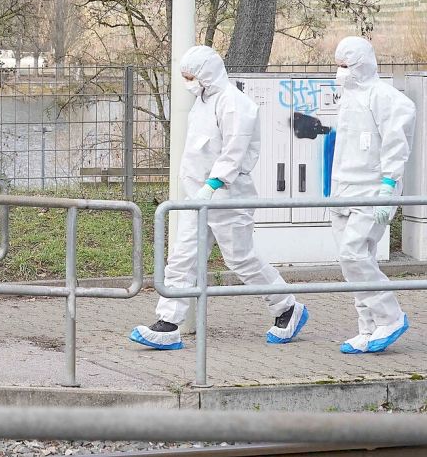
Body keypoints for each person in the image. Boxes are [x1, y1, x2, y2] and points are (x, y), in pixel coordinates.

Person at [129, 45, 308, 350]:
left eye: (191, 76)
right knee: (182, 257)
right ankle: (168, 324)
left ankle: (287, 307)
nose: (188, 82)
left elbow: (234, 150)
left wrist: (213, 183)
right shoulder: (203, 101)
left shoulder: (236, 104)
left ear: (206, 74)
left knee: (241, 259)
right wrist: (198, 190)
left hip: (226, 194)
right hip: (197, 196)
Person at [331, 37, 415, 354]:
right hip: (343, 192)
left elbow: (396, 147)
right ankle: (368, 328)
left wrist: (388, 189)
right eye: (338, 65)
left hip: (371, 191)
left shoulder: (389, 99)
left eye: (345, 66)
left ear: (362, 64)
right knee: (353, 262)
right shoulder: (349, 99)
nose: (340, 72)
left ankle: (390, 317)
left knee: (353, 255)